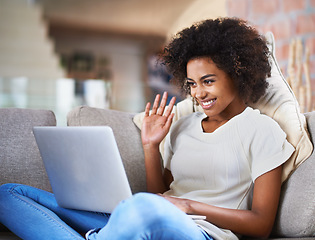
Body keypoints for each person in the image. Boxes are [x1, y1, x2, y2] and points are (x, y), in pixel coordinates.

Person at [0, 17, 294, 240]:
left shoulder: (262, 130)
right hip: (147, 216)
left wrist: (189, 207)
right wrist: (150, 146)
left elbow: (260, 225)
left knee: (141, 207)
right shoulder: (183, 126)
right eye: (191, 84)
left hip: (203, 232)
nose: (198, 93)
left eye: (208, 81)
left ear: (238, 73)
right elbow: (160, 194)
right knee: (8, 193)